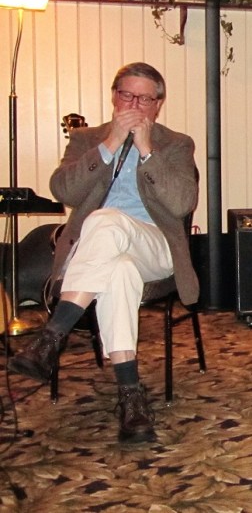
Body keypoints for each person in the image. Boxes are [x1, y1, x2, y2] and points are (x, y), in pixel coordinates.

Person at [9, 62, 199, 444]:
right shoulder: (87, 139)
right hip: (101, 252)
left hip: (154, 246)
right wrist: (110, 144)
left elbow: (182, 204)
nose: (135, 105)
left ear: (158, 105)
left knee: (107, 220)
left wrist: (147, 151)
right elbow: (64, 191)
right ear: (114, 97)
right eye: (128, 96)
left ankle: (53, 336)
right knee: (119, 270)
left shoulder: (176, 143)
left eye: (145, 99)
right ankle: (130, 396)